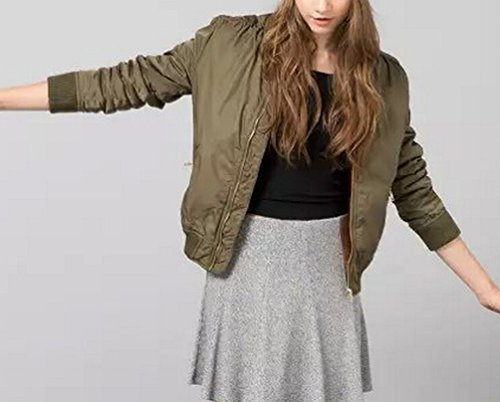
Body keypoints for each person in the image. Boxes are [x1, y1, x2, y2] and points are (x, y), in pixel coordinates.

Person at [1, 0, 499, 401]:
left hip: (329, 266)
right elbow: (124, 83)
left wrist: (485, 289)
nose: (322, 6)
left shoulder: (384, 78)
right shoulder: (228, 44)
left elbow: (414, 190)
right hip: (250, 259)